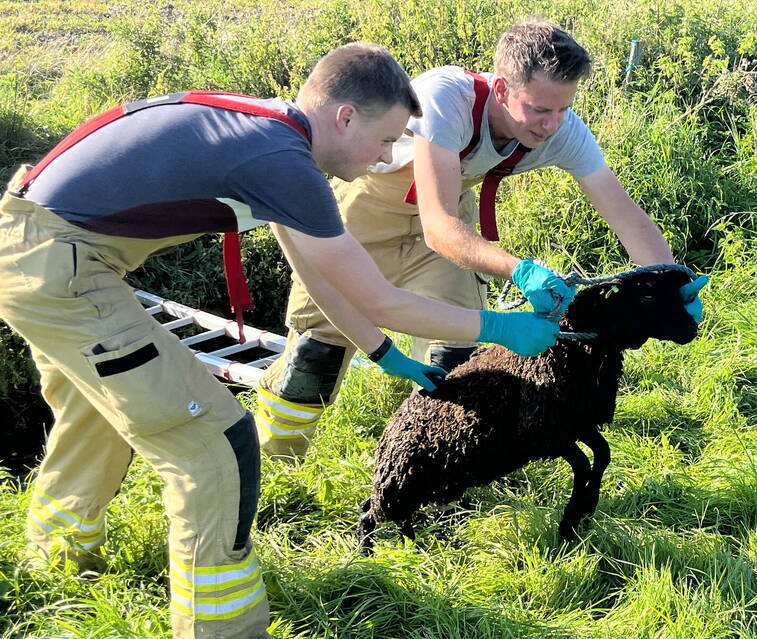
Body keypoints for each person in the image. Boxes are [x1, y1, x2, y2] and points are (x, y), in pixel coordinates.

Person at [0, 42, 560, 639]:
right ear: (345, 117)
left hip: (37, 246)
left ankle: (57, 562)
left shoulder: (269, 136)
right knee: (216, 444)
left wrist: (383, 354)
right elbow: (380, 297)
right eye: (385, 140)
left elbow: (321, 279)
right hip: (66, 269)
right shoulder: (281, 161)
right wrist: (500, 327)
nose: (387, 158)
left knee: (98, 414)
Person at [256, 20, 707, 457]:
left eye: (563, 109)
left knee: (454, 357)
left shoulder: (561, 131)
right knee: (314, 359)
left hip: (448, 227)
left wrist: (672, 282)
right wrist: (520, 270)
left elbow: (627, 217)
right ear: (503, 89)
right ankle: (277, 464)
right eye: (539, 109)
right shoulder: (446, 98)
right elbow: (437, 226)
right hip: (365, 217)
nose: (552, 125)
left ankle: (431, 468)